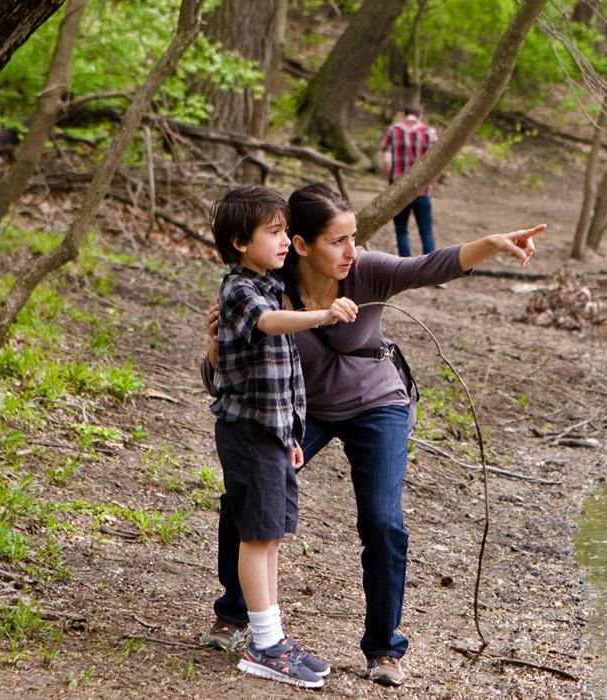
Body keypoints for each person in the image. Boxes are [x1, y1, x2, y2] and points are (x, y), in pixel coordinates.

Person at [202, 183, 545, 687]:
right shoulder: (268, 286)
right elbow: (225, 368)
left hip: (377, 404)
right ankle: (236, 618)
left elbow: (432, 264)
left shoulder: (367, 271)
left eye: (354, 238)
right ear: (300, 245)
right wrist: (215, 340)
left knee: (383, 521)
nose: (351, 251)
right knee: (245, 496)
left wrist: (492, 243)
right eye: (337, 241)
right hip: (303, 410)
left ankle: (384, 648)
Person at [208, 186, 358, 689]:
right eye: (271, 233)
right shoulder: (240, 291)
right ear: (238, 241)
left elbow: (285, 375)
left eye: (282, 231)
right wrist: (322, 314)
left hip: (271, 433)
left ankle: (270, 635)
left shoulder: (269, 284)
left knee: (270, 535)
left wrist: (292, 433)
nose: (281, 241)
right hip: (246, 432)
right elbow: (268, 327)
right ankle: (265, 644)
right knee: (257, 535)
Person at [381, 106, 438, 257]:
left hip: (399, 191)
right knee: (426, 232)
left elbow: (387, 161)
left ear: (404, 115)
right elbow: (436, 161)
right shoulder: (428, 132)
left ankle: (405, 269)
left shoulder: (393, 130)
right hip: (423, 191)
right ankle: (431, 269)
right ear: (420, 116)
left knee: (401, 231)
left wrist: (391, 182)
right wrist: (432, 182)